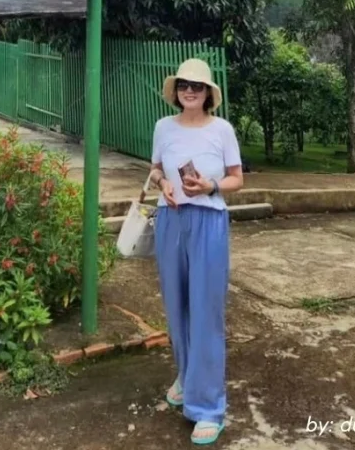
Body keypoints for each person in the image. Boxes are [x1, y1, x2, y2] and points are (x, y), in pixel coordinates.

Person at [148, 58, 244, 446]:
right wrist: (162, 184)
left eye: (198, 86)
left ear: (208, 94)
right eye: (185, 84)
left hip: (208, 222)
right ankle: (187, 378)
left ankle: (208, 407)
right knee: (176, 307)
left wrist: (211, 187)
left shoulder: (222, 130)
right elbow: (154, 168)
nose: (191, 90)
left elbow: (237, 178)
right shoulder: (162, 127)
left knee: (206, 311)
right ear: (176, 90)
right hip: (170, 221)